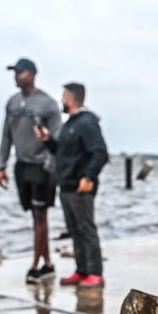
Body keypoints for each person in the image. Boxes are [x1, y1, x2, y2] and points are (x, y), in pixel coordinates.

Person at [35, 82, 109, 287]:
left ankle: (95, 273)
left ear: (72, 98)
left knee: (86, 229)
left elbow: (100, 152)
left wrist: (88, 176)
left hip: (81, 186)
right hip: (66, 185)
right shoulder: (70, 124)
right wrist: (48, 140)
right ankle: (82, 270)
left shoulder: (87, 122)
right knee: (74, 231)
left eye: (64, 96)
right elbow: (63, 152)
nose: (61, 100)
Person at [0, 57, 63, 282]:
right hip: (22, 165)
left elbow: (58, 140)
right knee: (35, 217)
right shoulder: (13, 103)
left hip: (42, 166)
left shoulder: (48, 104)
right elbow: (6, 135)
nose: (17, 76)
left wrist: (51, 166)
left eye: (21, 72)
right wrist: (0, 166)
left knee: (40, 215)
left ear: (33, 74)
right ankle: (48, 263)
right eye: (15, 72)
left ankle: (35, 266)